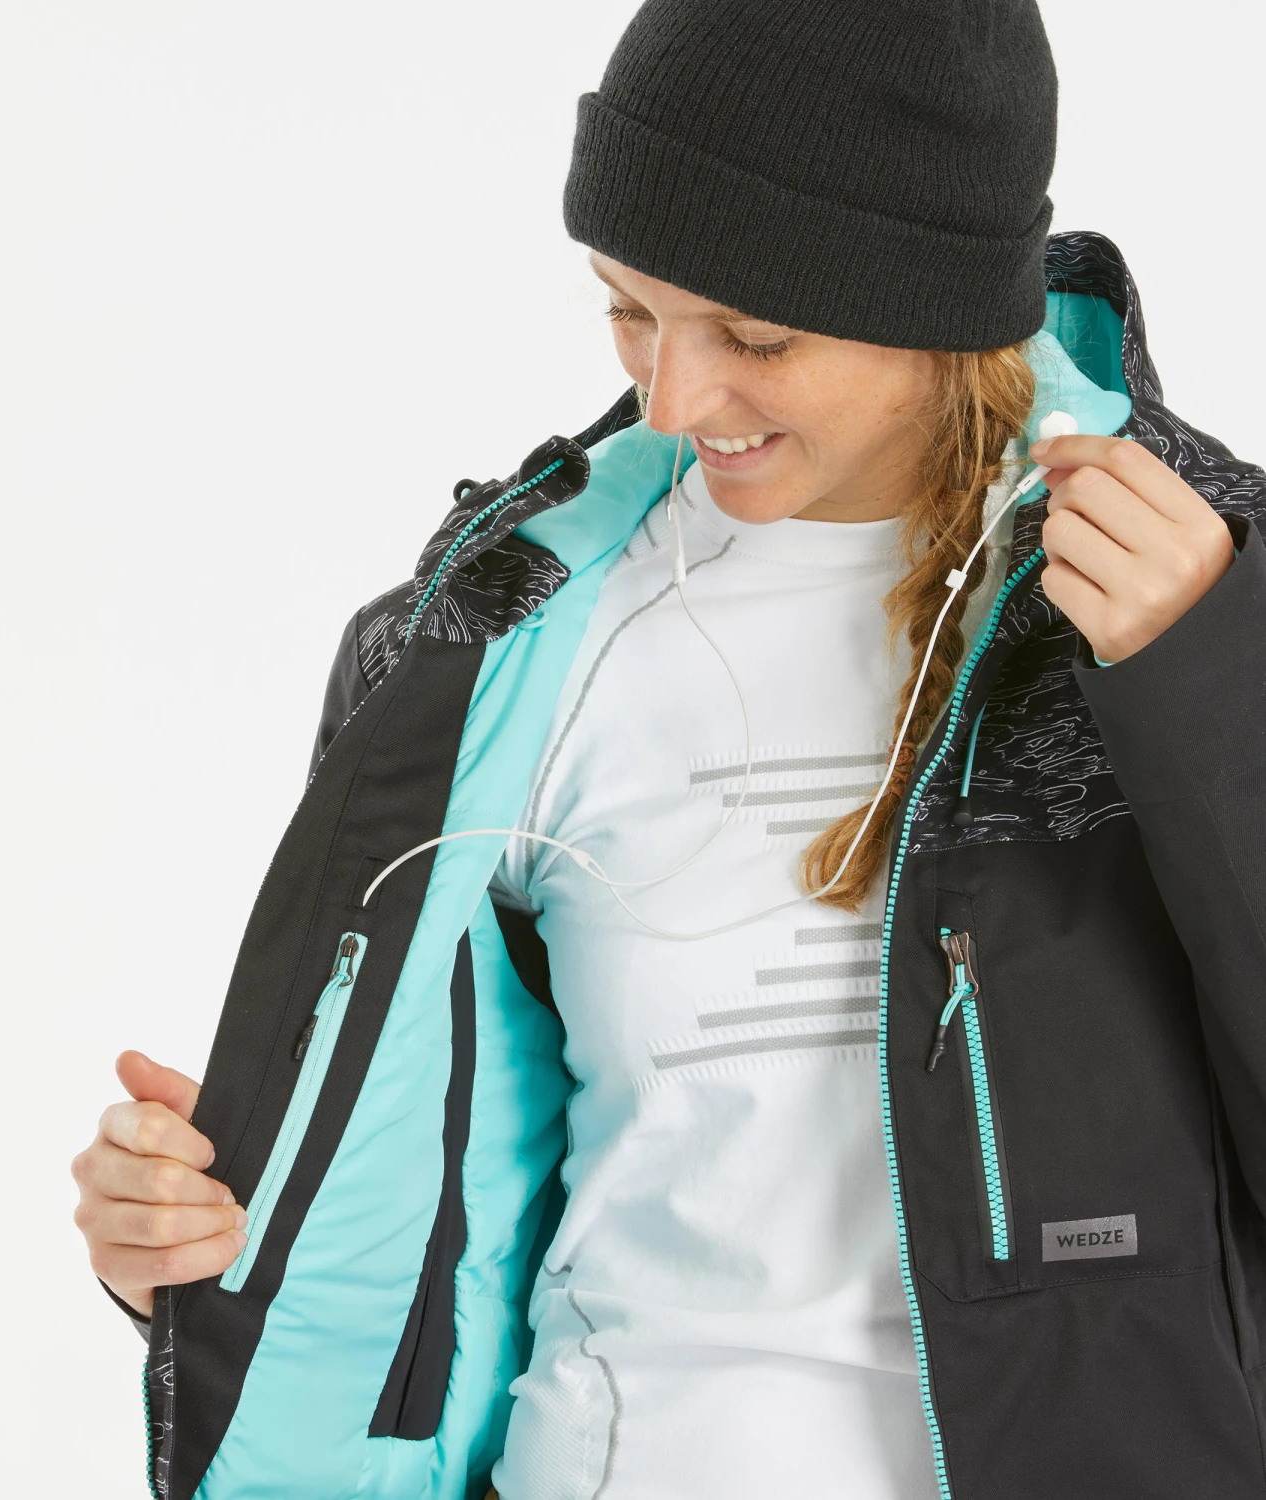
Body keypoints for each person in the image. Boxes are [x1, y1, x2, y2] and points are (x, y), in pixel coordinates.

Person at [71, 1, 1266, 1496]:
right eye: (629, 309)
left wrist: (1212, 691)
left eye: (755, 336)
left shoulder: (1200, 594)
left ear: (941, 307)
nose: (671, 397)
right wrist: (203, 1258)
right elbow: (425, 1226)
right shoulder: (493, 647)